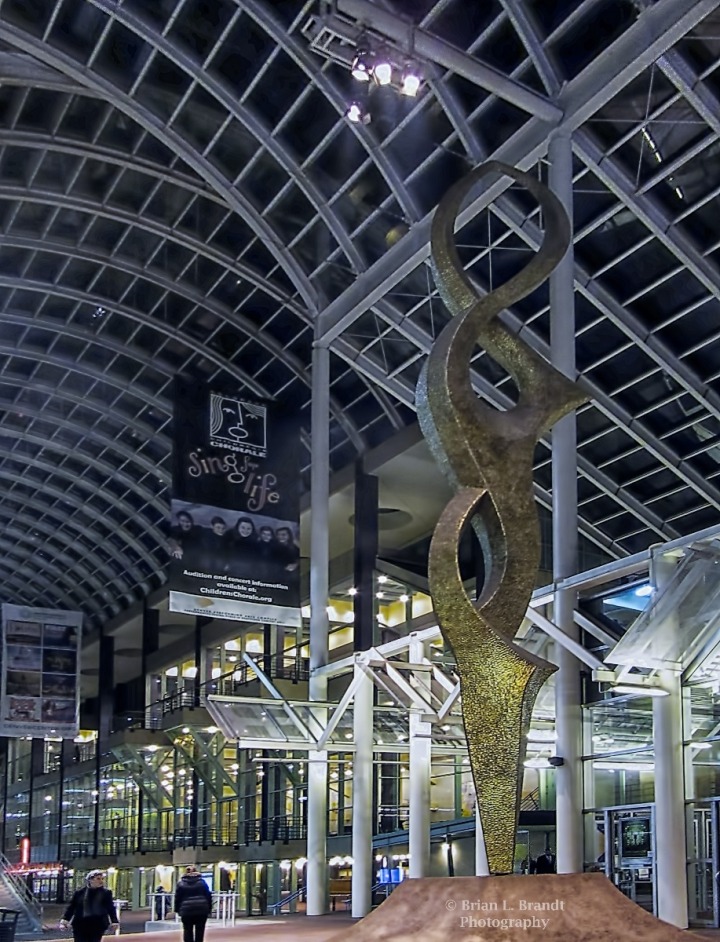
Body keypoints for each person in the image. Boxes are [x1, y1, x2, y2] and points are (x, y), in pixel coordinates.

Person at [59, 870, 119, 942]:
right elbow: (72, 907)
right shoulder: (80, 893)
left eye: (102, 879)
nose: (101, 881)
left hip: (97, 924)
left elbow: (110, 908)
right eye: (98, 879)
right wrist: (64, 921)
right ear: (90, 880)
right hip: (80, 924)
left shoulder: (106, 893)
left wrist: (114, 921)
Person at [174, 865, 212, 942]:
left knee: (187, 930)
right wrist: (209, 909)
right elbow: (208, 896)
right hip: (201, 909)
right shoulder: (202, 883)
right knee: (200, 931)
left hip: (186, 910)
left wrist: (177, 910)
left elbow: (177, 898)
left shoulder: (181, 884)